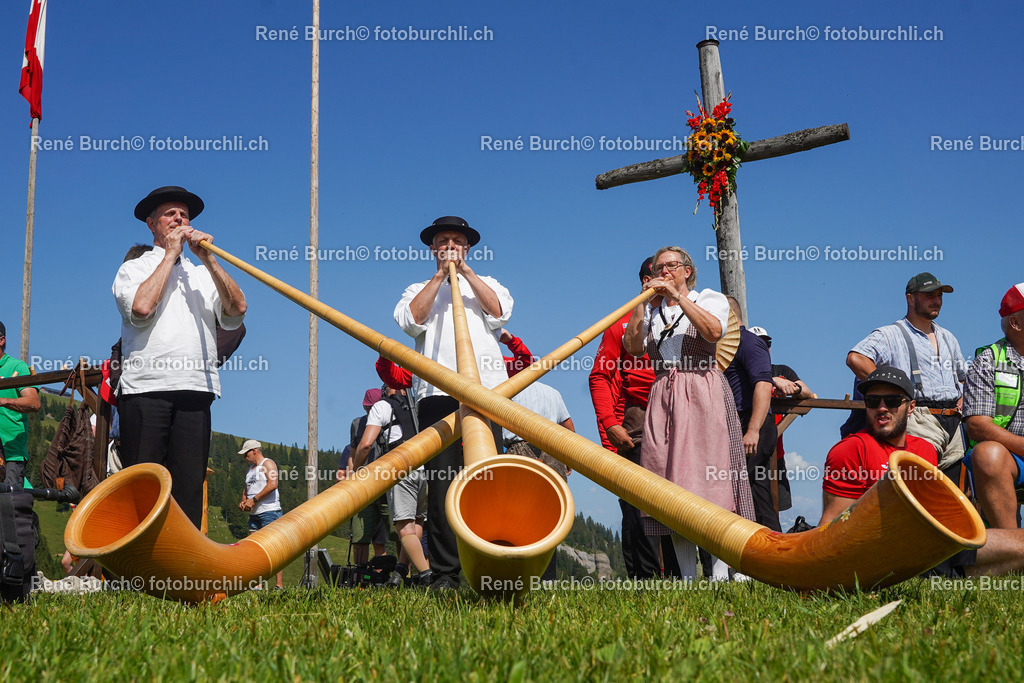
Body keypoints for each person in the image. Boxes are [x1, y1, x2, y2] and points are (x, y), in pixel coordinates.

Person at [112, 186, 247, 528]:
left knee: (187, 488)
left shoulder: (202, 273)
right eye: (170, 214)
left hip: (195, 388)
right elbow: (142, 309)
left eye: (184, 215)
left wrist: (209, 258)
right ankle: (134, 574)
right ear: (151, 224)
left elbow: (237, 310)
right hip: (146, 389)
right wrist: (170, 255)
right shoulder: (134, 268)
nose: (179, 219)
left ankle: (178, 575)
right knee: (143, 484)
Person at [394, 216, 513, 591]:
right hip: (438, 395)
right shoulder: (417, 287)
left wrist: (465, 273)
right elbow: (411, 321)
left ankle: (493, 563)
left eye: (457, 241)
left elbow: (499, 312)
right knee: (443, 485)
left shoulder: (488, 283)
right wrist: (439, 279)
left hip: (488, 393)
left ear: (468, 248)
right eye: (443, 241)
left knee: (488, 479)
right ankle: (446, 574)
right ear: (432, 248)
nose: (449, 246)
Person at [623, 246, 755, 580]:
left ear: (687, 270)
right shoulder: (652, 312)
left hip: (700, 389)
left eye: (670, 266)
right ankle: (688, 577)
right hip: (663, 394)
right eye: (658, 267)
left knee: (710, 479)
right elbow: (633, 346)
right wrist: (641, 303)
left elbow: (713, 332)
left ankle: (723, 572)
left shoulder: (710, 298)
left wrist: (679, 298)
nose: (663, 272)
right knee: (671, 484)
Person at [821, 366, 1024, 578]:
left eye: (891, 401)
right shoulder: (850, 448)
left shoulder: (925, 449)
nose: (881, 408)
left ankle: (957, 572)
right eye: (872, 402)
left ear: (911, 408)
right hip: (886, 554)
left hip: (933, 547)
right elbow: (830, 527)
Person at [588, 257, 670, 579]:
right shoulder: (621, 324)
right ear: (643, 281)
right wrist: (610, 424)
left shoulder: (686, 317)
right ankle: (646, 581)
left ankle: (682, 577)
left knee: (680, 497)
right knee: (637, 502)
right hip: (635, 420)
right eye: (656, 275)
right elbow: (600, 377)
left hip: (679, 414)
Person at [845, 273, 967, 474]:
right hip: (919, 418)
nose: (936, 300)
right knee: (919, 488)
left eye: (939, 295)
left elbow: (963, 376)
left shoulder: (948, 337)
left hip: (954, 423)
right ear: (910, 298)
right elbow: (856, 358)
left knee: (950, 495)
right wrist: (890, 393)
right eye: (929, 295)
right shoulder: (890, 334)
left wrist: (963, 395)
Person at [961, 283, 1024, 529]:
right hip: (1012, 457)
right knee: (987, 454)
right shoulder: (987, 361)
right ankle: (1013, 547)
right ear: (1016, 324)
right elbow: (977, 426)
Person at [353, 384, 429, 586]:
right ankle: (401, 570)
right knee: (417, 521)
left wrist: (356, 467)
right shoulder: (420, 406)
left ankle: (426, 575)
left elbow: (366, 444)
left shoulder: (382, 406)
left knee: (404, 528)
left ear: (387, 389)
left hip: (400, 467)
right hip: (426, 467)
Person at [724, 298, 780, 532]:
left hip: (752, 423)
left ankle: (772, 553)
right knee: (754, 489)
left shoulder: (748, 342)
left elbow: (763, 385)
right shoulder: (724, 346)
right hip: (739, 424)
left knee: (746, 489)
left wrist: (753, 430)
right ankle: (769, 555)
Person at [749, 325, 815, 515]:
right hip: (748, 452)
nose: (764, 347)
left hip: (775, 454)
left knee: (773, 511)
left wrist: (791, 387)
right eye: (758, 344)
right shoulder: (742, 371)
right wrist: (771, 380)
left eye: (767, 343)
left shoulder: (782, 370)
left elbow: (808, 394)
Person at [349, 388, 388, 564]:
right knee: (359, 534)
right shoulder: (357, 424)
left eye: (372, 408)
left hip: (387, 481)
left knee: (397, 531)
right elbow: (354, 452)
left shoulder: (390, 421)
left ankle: (402, 576)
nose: (369, 412)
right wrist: (353, 473)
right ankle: (359, 574)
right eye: (367, 408)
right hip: (363, 484)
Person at [0, 320, 41, 487]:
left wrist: (2, 401)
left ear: (1, 340)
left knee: (10, 507)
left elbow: (34, 402)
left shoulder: (17, 366)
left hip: (10, 455)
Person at [238, 439, 283, 588]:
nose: (245, 457)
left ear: (254, 451)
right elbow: (246, 488)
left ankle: (278, 585)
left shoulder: (268, 464)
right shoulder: (251, 469)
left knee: (274, 548)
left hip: (269, 511)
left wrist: (254, 500)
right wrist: (244, 501)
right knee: (254, 549)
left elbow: (273, 484)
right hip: (254, 514)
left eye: (246, 454)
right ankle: (258, 585)